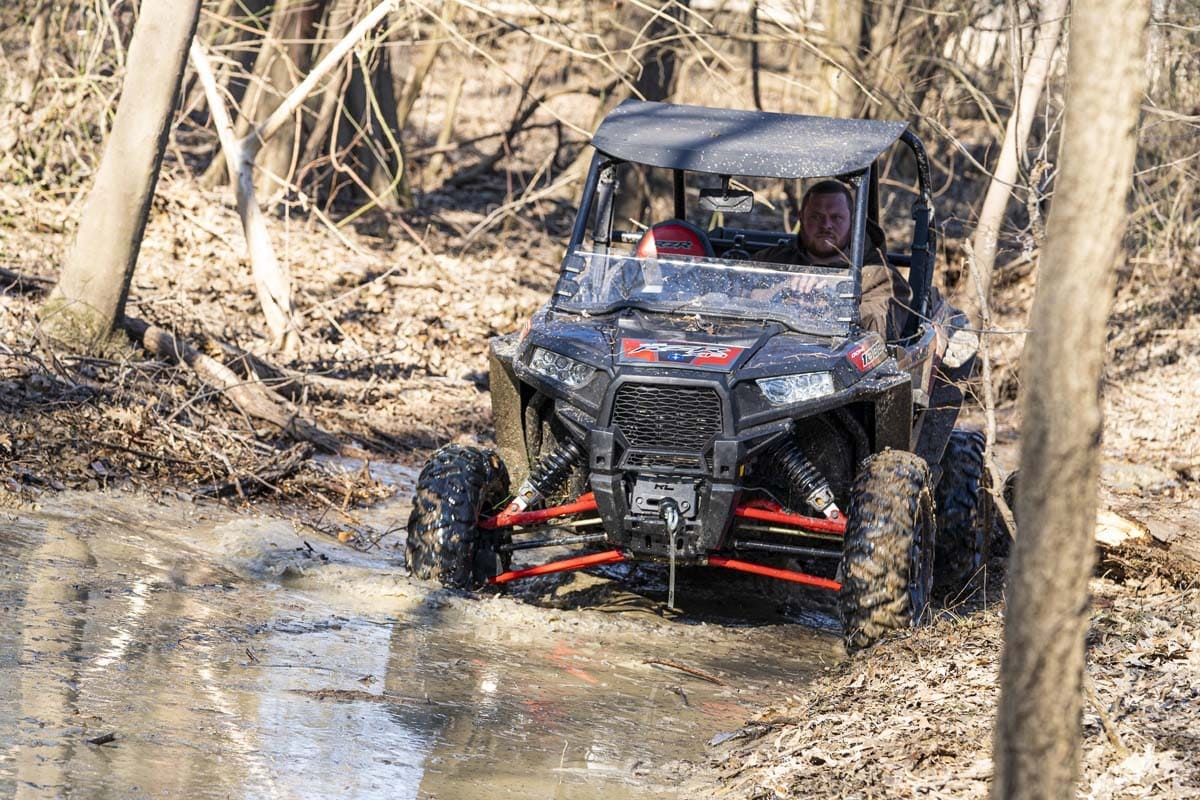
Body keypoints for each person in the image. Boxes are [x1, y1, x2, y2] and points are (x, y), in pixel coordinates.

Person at [753, 180, 911, 338]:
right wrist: (783, 288)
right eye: (816, 217)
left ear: (853, 221)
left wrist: (830, 303)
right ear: (801, 217)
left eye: (836, 217)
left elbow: (882, 323)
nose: (826, 225)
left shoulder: (877, 275)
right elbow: (734, 297)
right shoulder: (770, 262)